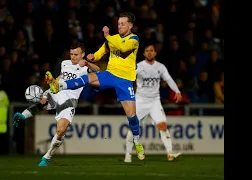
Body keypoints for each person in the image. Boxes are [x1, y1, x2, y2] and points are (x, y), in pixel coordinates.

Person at [45, 12, 145, 160]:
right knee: (87, 78)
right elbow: (103, 50)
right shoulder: (113, 39)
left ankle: (137, 142)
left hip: (124, 80)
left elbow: (122, 48)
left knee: (132, 117)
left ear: (131, 25)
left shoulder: (134, 39)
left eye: (123, 24)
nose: (120, 26)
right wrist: (94, 57)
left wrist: (107, 36)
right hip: (110, 74)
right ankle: (59, 85)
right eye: (118, 24)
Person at [13, 42, 100, 166]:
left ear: (83, 54)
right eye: (71, 54)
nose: (73, 57)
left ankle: (47, 156)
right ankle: (22, 116)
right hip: (57, 91)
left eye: (76, 54)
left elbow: (99, 70)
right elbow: (61, 77)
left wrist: (87, 63)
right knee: (42, 102)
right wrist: (53, 82)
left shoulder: (85, 68)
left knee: (61, 130)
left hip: (70, 100)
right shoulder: (64, 63)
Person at [124, 45, 182, 163]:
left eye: (151, 51)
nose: (149, 53)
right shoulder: (139, 66)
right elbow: (128, 78)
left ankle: (170, 154)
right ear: (144, 54)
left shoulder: (160, 67)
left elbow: (169, 79)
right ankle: (128, 156)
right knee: (133, 128)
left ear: (155, 53)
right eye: (147, 51)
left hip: (155, 101)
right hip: (140, 101)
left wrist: (177, 91)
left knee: (162, 126)